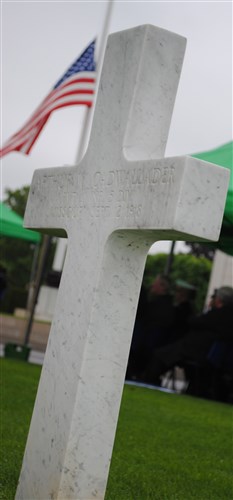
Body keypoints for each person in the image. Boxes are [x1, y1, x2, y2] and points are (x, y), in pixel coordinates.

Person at [144, 286, 233, 389]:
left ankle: (150, 380)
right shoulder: (227, 315)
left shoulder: (218, 314)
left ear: (218, 300)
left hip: (195, 349)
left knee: (160, 356)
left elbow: (194, 321)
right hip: (203, 350)